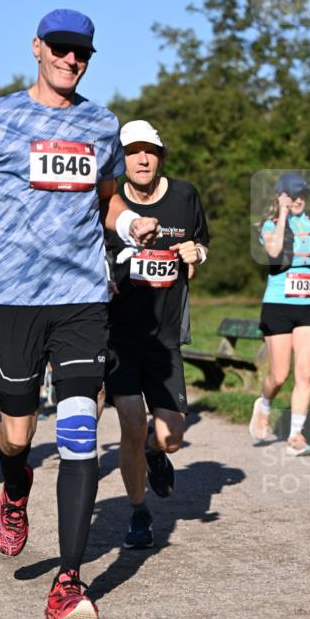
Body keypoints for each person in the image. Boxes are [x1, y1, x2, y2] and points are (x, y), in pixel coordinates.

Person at [0, 8, 158, 619]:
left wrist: (129, 224)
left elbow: (107, 202)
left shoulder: (102, 122)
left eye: (81, 52)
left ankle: (68, 581)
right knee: (17, 432)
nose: (70, 59)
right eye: (59, 48)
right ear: (36, 48)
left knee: (81, 431)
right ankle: (14, 489)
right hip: (12, 300)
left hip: (83, 298)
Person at [104, 120, 209, 548]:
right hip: (120, 335)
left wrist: (195, 251)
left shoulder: (185, 196)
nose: (142, 159)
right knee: (130, 423)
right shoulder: (108, 202)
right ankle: (139, 511)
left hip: (165, 338)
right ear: (121, 159)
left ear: (161, 156)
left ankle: (152, 451)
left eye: (149, 151)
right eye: (132, 152)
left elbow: (202, 243)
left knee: (170, 438)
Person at [249, 172, 310, 455]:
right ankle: (263, 404)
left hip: (309, 305)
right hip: (278, 305)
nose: (298, 199)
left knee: (305, 372)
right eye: (292, 194)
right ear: (281, 195)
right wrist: (282, 212)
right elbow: (275, 250)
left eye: (302, 194)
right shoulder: (269, 225)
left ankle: (296, 435)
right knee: (279, 375)